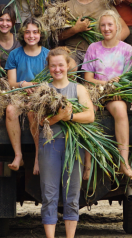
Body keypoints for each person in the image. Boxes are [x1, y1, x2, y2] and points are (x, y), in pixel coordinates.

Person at [38, 47, 95, 238]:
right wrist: (57, 118)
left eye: (61, 65)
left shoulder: (78, 89)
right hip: (49, 145)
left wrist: (68, 116)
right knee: (49, 194)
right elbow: (39, 122)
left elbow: (90, 115)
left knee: (72, 194)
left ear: (68, 65)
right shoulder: (43, 90)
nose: (57, 69)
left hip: (73, 146)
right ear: (48, 67)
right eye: (53, 66)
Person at [82, 10, 132, 178]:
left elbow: (129, 77)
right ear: (99, 28)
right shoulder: (93, 48)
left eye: (110, 25)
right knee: (88, 114)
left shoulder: (126, 49)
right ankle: (87, 164)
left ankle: (123, 162)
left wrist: (117, 89)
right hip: (96, 93)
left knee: (120, 110)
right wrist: (105, 84)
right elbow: (88, 78)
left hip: (117, 94)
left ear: (117, 27)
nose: (106, 28)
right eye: (103, 25)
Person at [59, 0, 130, 66]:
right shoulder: (66, 7)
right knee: (69, 67)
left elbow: (125, 30)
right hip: (74, 52)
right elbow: (57, 36)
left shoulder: (104, 5)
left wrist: (108, 45)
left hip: (98, 52)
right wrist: (75, 29)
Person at [4, 17, 50, 171]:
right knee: (10, 109)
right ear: (23, 34)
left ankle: (38, 157)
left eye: (35, 32)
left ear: (41, 34)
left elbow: (53, 81)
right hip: (20, 94)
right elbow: (11, 83)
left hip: (40, 96)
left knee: (32, 111)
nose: (31, 36)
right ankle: (18, 155)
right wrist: (23, 85)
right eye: (28, 32)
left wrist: (38, 89)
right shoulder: (15, 55)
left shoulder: (48, 55)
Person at [0, 4, 21, 69]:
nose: (4, 24)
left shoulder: (20, 40)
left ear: (13, 22)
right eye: (1, 20)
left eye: (8, 20)